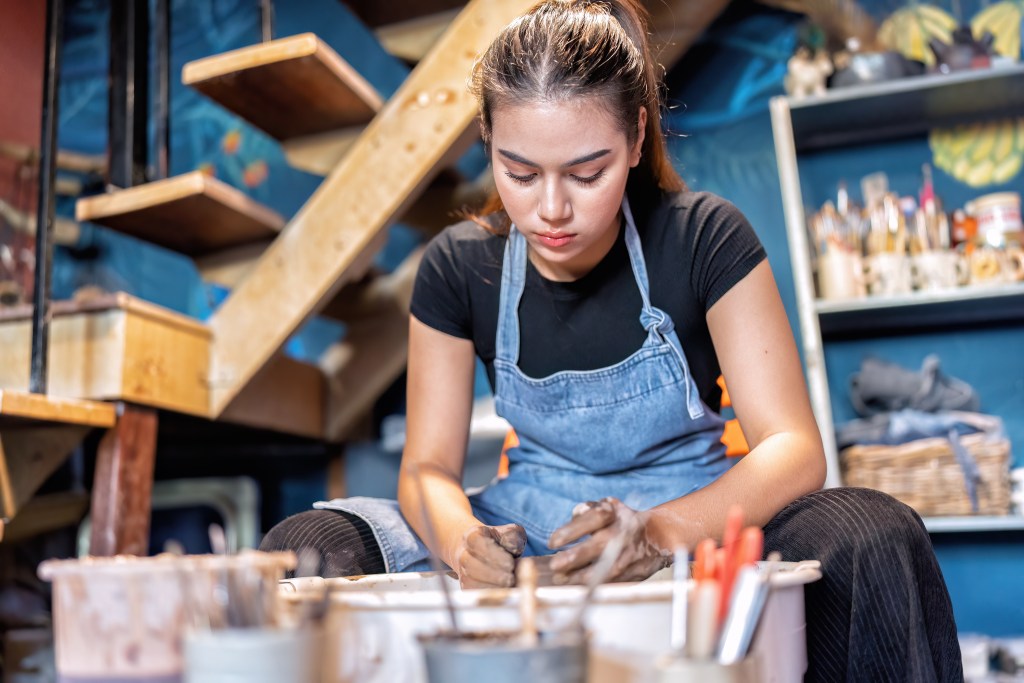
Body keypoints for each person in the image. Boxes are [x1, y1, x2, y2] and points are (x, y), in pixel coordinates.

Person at [261, 0, 962, 679]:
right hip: (527, 524)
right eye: (520, 172)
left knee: (874, 534)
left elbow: (795, 448)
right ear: (488, 140)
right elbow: (427, 469)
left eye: (586, 172)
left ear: (634, 136)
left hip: (693, 515)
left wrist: (658, 533)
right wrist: (463, 541)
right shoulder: (458, 266)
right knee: (304, 550)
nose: (552, 208)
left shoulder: (702, 236)